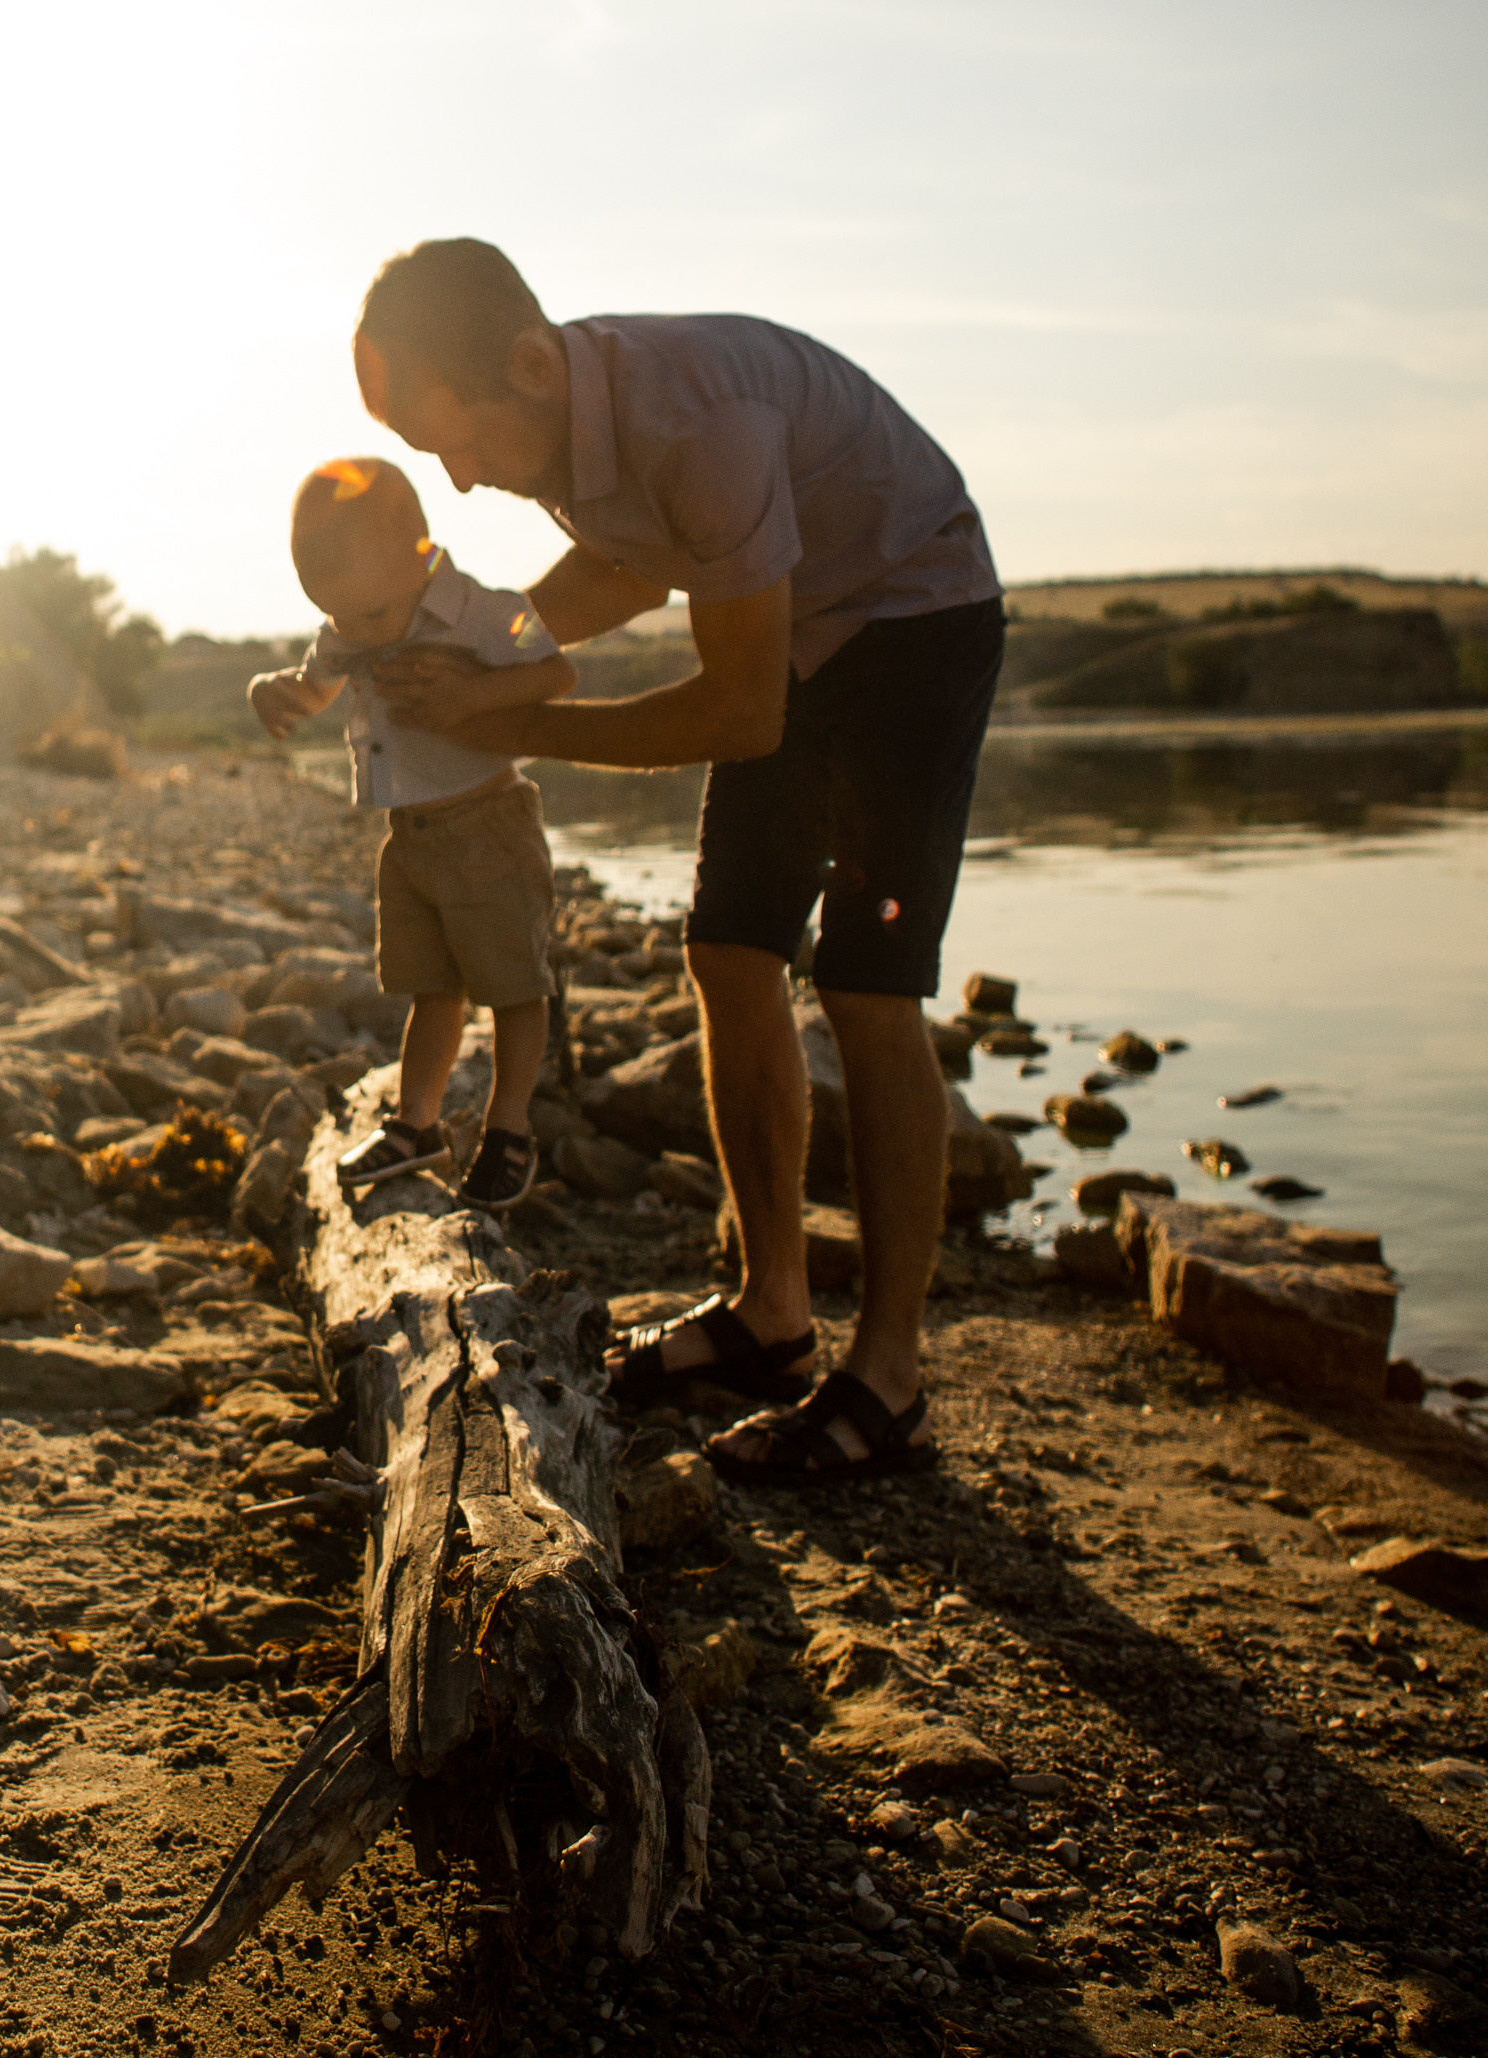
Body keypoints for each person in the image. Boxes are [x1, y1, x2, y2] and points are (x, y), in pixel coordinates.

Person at [352, 239, 1003, 1487]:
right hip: (793, 616)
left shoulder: (696, 424)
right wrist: (490, 655)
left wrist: (517, 721)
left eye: (461, 444)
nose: (465, 482)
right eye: (437, 456)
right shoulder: (554, 417)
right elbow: (625, 562)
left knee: (868, 982)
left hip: (913, 612)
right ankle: (771, 1314)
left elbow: (742, 712)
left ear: (530, 365)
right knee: (727, 949)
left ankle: (891, 1379)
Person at [247, 453, 575, 1210]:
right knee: (432, 986)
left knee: (516, 988)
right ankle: (416, 1126)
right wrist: (274, 690)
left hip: (490, 826)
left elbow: (557, 674)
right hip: (411, 839)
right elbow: (316, 680)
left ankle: (509, 1128)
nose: (354, 633)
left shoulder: (490, 611)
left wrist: (481, 691)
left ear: (421, 551)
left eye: (366, 616)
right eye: (335, 615)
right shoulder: (352, 619)